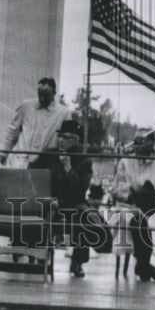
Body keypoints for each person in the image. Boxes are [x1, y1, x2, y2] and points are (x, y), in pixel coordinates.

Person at [30, 119, 94, 277]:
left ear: (76, 140)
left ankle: (77, 262)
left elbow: (81, 189)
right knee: (39, 210)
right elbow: (32, 174)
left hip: (73, 202)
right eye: (60, 136)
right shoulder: (48, 154)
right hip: (50, 200)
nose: (61, 140)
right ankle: (41, 256)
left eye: (65, 137)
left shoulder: (84, 159)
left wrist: (68, 168)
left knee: (85, 215)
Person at [112, 128, 155, 282]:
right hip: (130, 206)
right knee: (131, 219)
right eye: (135, 141)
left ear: (151, 143)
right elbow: (117, 188)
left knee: (149, 221)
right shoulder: (125, 162)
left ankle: (142, 265)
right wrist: (131, 196)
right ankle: (143, 265)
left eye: (140, 141)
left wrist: (150, 201)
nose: (136, 145)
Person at [0, 77, 71, 168]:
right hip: (19, 162)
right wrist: (2, 153)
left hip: (43, 166)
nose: (42, 98)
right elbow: (12, 131)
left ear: (54, 94)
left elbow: (67, 140)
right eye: (40, 94)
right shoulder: (26, 106)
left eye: (46, 95)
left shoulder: (63, 113)